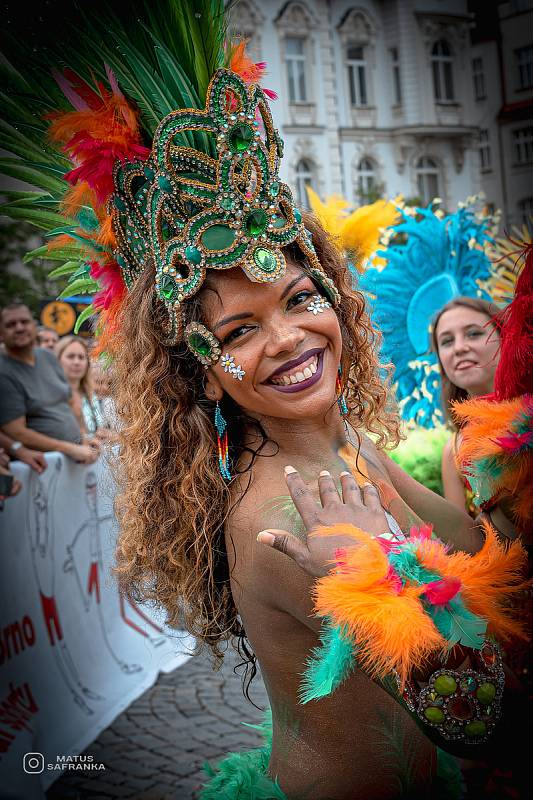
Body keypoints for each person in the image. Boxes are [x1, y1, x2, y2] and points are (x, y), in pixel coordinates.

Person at [0, 5, 527, 798]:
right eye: (240, 330)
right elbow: (482, 720)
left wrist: (506, 480)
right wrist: (364, 579)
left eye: (299, 297)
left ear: (335, 300)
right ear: (203, 373)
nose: (286, 338)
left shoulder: (343, 448)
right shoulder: (281, 514)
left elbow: (478, 554)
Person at [0, 302, 98, 464]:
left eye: (24, 322)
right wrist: (70, 448)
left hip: (73, 458)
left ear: (33, 326)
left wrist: (83, 439)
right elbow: (16, 432)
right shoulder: (4, 370)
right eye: (11, 325)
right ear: (2, 333)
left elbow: (70, 402)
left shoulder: (47, 357)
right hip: (40, 466)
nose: (19, 328)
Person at [432, 297, 500, 515]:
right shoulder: (454, 451)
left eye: (474, 333)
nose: (459, 348)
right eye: (447, 341)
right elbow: (464, 541)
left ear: (507, 339)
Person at [55, 335, 111, 443]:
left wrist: (109, 435)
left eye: (81, 357)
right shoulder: (51, 395)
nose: (77, 362)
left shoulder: (90, 395)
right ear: (58, 360)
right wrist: (86, 440)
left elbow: (98, 430)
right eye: (71, 356)